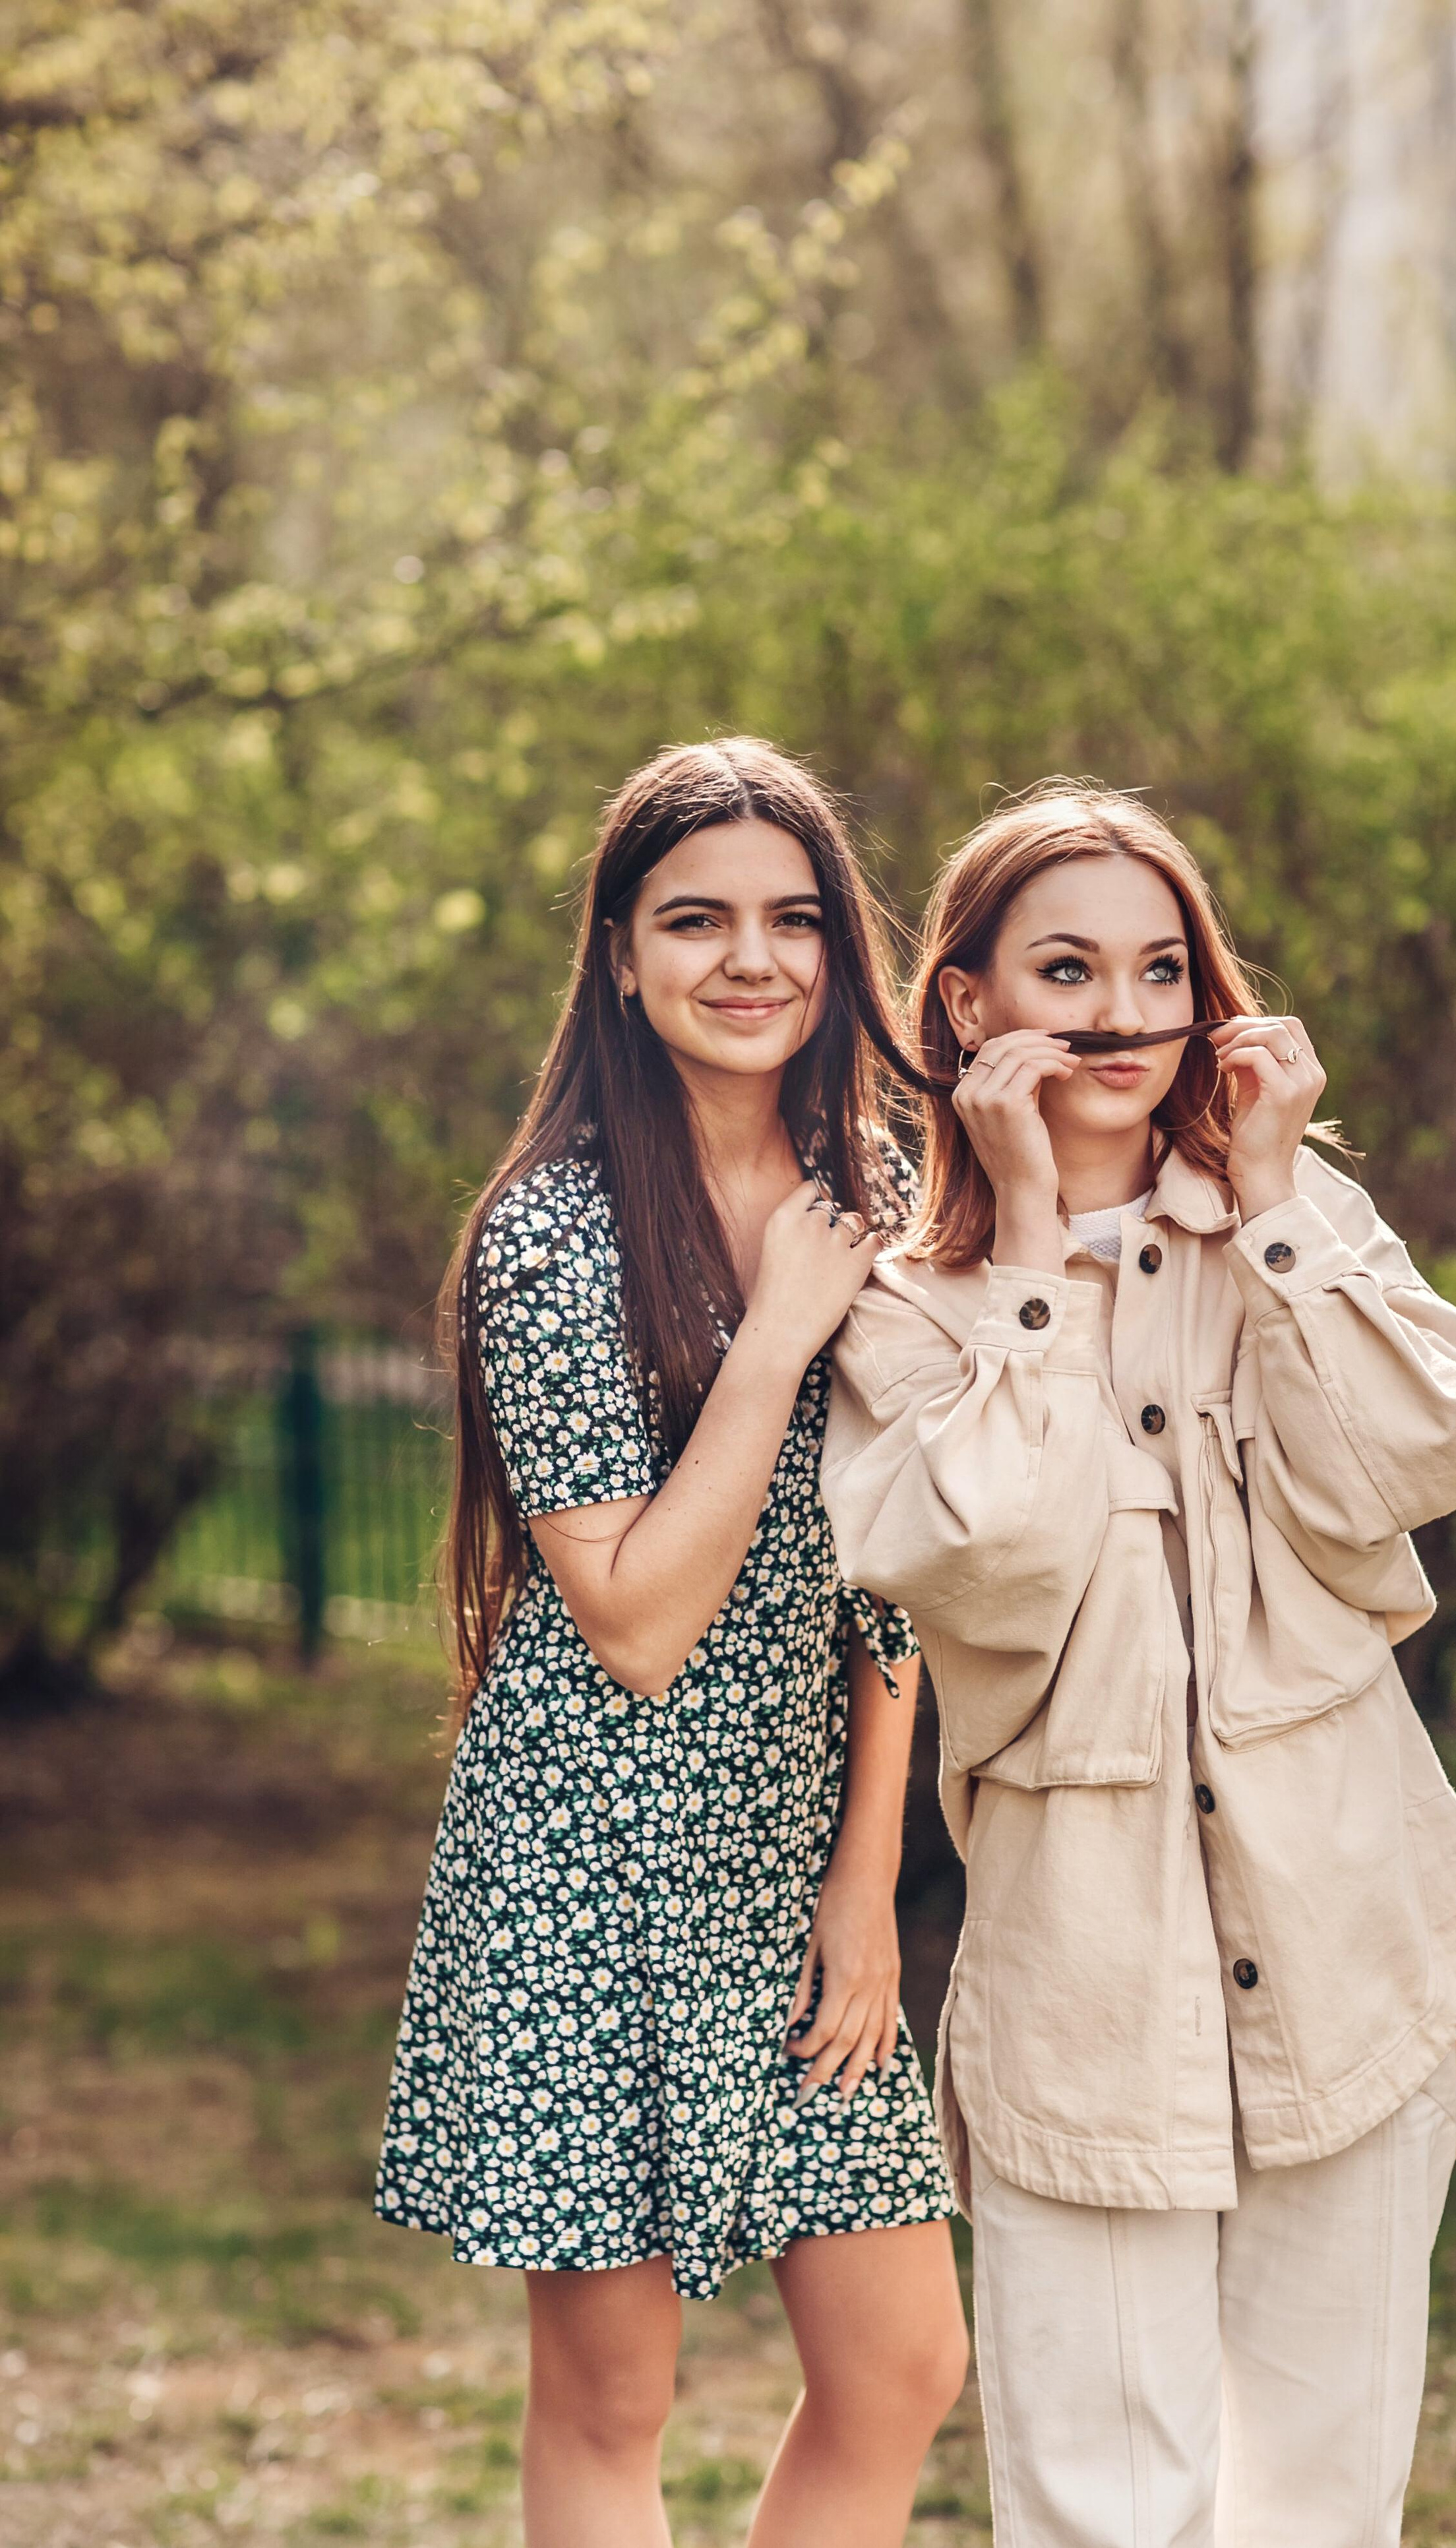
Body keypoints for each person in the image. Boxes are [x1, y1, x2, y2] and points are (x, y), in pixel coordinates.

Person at [821, 784, 1456, 2548]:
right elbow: (989, 1567)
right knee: (1096, 2501)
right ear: (970, 1005)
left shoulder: (1300, 1222)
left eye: (1163, 969)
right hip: (1088, 1986)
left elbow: (1428, 1455)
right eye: (1067, 968)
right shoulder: (910, 1313)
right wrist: (1041, 1242)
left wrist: (1278, 1204)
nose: (1127, 1012)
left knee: (1323, 2495)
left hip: (1351, 1933)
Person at [374, 739, 965, 2548]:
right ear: (620, 956)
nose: (751, 959)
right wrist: (779, 1334)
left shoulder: (877, 1186)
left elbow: (901, 1576)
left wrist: (868, 1881)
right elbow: (631, 1619)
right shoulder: (550, 1237)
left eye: (793, 919)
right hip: (586, 1865)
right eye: (695, 919)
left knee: (901, 2367)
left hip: (796, 1867)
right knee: (615, 2398)